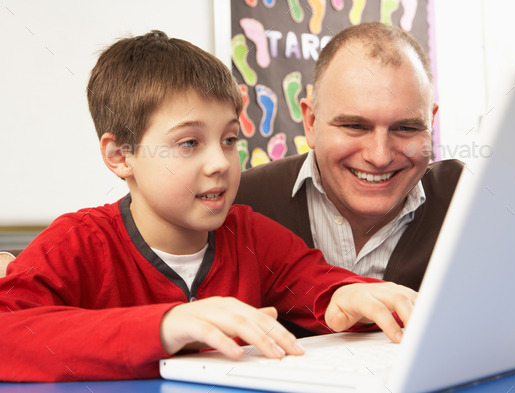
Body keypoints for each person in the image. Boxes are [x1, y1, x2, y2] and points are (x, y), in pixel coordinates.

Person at [0, 30, 417, 382]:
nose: (219, 163)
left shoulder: (250, 234)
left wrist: (346, 295)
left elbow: (318, 283)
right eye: (188, 144)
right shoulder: (78, 242)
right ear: (120, 155)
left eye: (230, 140)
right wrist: (165, 326)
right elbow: (8, 334)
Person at [236, 22, 463, 291]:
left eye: (405, 128)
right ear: (311, 122)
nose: (379, 157)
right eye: (355, 127)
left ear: (431, 123)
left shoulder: (469, 202)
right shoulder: (239, 204)